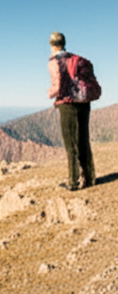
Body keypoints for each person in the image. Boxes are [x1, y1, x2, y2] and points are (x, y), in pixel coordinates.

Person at [47, 31, 95, 190]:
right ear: (64, 43)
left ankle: (73, 181)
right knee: (83, 140)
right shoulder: (76, 59)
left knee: (70, 143)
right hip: (84, 102)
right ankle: (89, 178)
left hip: (67, 104)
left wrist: (50, 92)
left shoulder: (54, 61)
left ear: (52, 45)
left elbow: (58, 86)